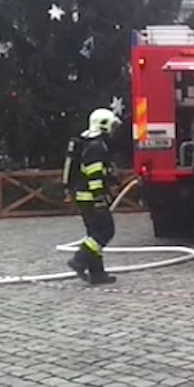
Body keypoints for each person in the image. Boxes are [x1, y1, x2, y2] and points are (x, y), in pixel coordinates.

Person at [66, 108, 122, 285]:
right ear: (103, 125)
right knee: (105, 232)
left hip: (85, 196)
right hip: (91, 197)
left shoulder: (89, 143)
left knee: (94, 233)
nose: (113, 130)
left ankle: (97, 273)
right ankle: (79, 259)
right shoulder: (96, 146)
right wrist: (99, 197)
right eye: (112, 125)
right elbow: (94, 174)